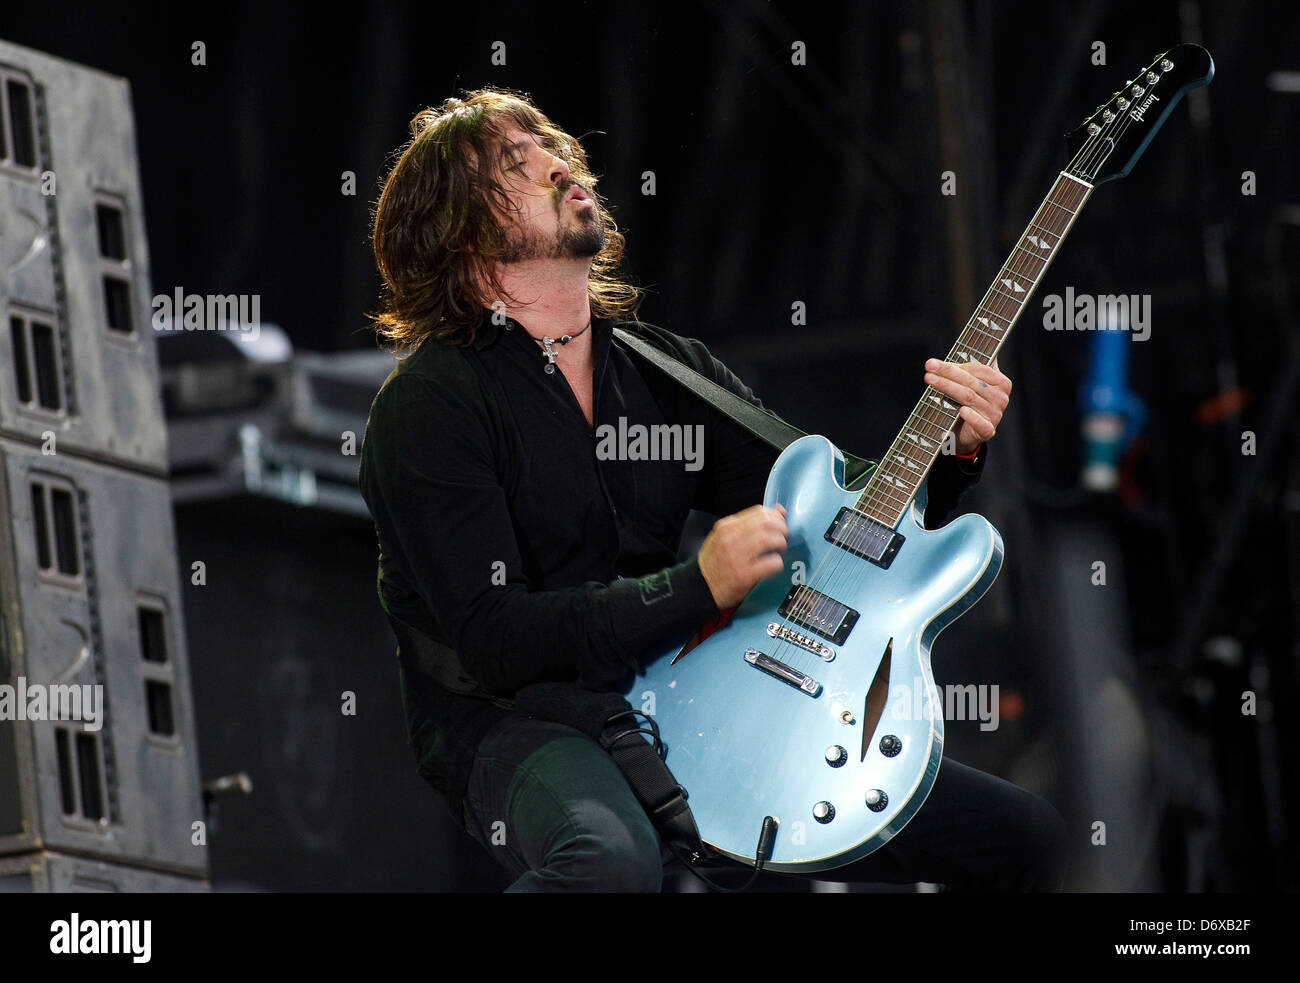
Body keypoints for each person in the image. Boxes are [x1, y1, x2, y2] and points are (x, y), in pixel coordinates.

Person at [358, 87, 1067, 893]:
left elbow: (843, 516)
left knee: (1031, 840)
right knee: (609, 863)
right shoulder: (433, 403)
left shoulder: (666, 369)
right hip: (512, 716)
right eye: (517, 167)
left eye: (554, 148)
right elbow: (492, 639)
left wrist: (953, 451)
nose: (559, 165)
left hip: (684, 684)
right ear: (463, 237)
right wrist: (694, 585)